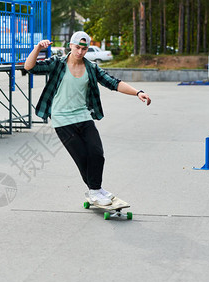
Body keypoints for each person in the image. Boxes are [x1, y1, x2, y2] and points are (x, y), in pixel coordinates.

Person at [24, 31, 151, 206]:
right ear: (71, 45)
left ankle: (96, 190)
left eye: (84, 49)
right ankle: (95, 190)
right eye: (77, 47)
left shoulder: (91, 67)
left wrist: (138, 92)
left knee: (97, 153)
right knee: (82, 157)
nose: (80, 52)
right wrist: (38, 48)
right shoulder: (57, 63)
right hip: (62, 120)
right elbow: (29, 67)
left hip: (83, 116)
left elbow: (113, 82)